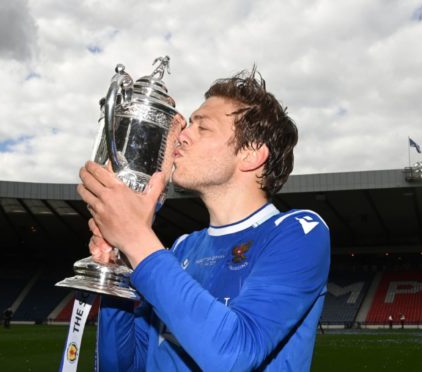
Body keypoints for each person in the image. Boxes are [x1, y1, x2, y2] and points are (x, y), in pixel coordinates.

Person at [78, 68, 331, 371]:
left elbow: (235, 353)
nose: (180, 136)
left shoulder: (299, 231)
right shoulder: (182, 248)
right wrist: (117, 265)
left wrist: (134, 235)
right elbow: (122, 365)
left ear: (251, 154)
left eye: (202, 127)